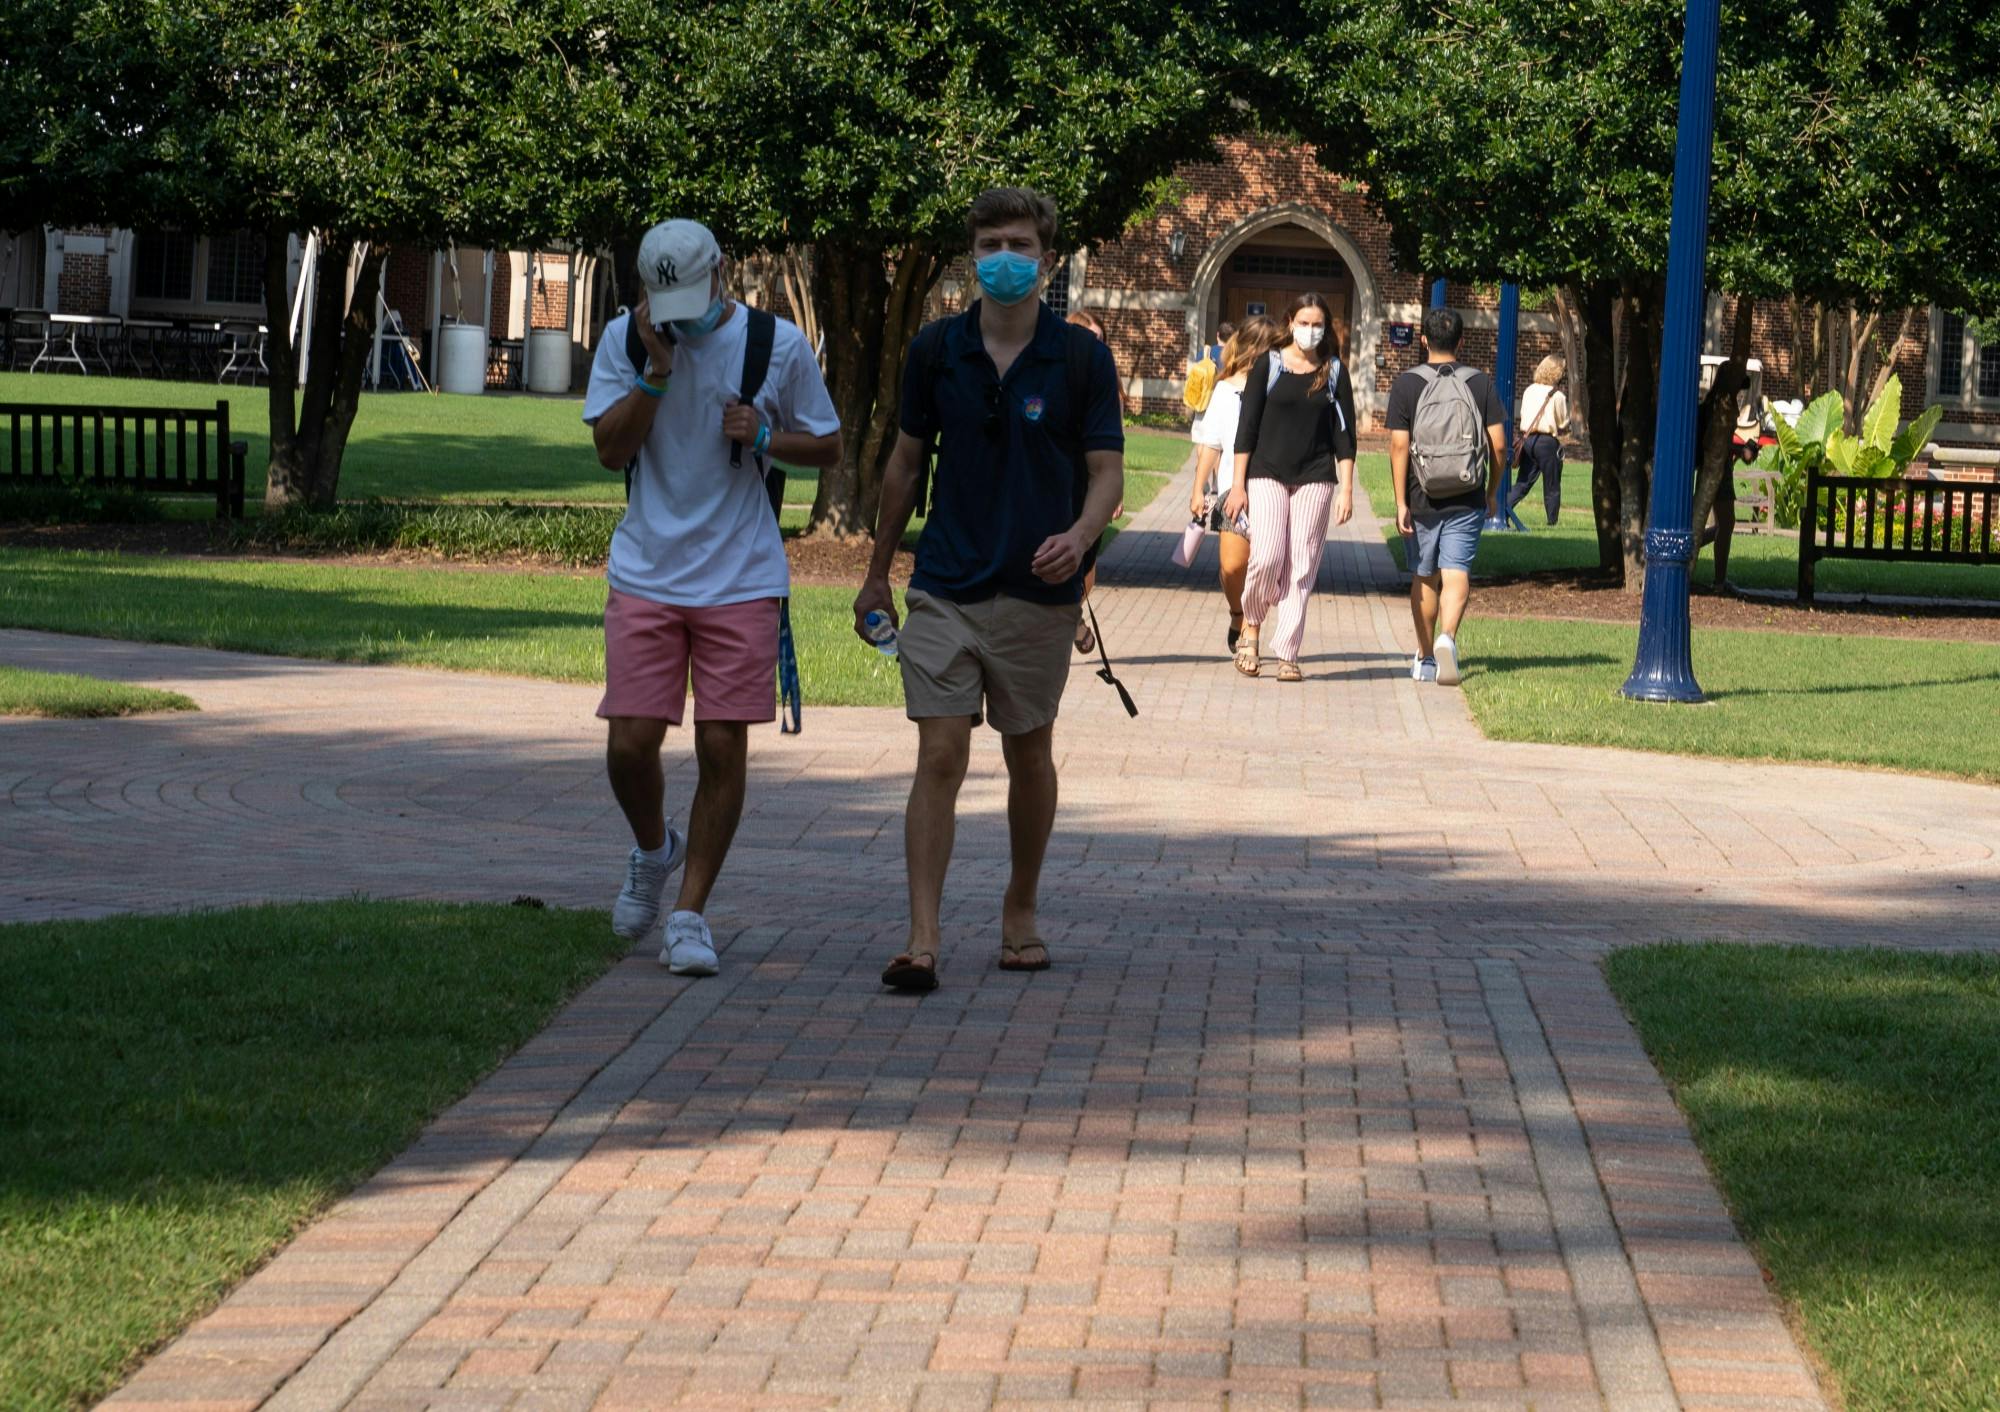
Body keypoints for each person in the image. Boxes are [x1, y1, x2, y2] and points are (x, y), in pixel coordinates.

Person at [854, 187, 1124, 993]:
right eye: (989, 244)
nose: (1003, 257)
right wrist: (877, 571)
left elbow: (1106, 476)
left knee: (1027, 753)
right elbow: (905, 463)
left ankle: (1020, 909)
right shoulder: (937, 350)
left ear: (1047, 257)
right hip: (944, 585)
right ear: (971, 255)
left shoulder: (1080, 358)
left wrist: (1079, 541)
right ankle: (922, 938)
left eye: (1019, 243)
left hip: (1037, 594)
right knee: (940, 753)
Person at [584, 219, 843, 975]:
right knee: (630, 742)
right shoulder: (625, 344)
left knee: (722, 745)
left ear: (722, 275)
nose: (681, 316)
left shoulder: (777, 346)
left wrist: (764, 435)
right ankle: (651, 848)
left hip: (741, 575)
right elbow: (609, 451)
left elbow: (825, 444)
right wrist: (655, 376)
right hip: (647, 570)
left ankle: (690, 914)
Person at [1224, 294, 1357, 682]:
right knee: (1266, 556)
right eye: (1303, 322)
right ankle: (1251, 625)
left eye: (1317, 324)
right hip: (1266, 472)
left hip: (1315, 476)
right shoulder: (1269, 365)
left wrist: (1346, 488)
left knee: (1302, 564)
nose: (1310, 330)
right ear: (1290, 322)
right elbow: (1246, 428)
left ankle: (1287, 652)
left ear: (1326, 327)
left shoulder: (1333, 372)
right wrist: (1237, 485)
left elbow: (1345, 437)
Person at [1386, 306, 1506, 686]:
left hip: (1422, 496)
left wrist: (1401, 502)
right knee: (1457, 572)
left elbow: (1398, 446)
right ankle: (1447, 638)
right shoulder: (1479, 383)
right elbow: (1500, 446)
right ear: (1461, 341)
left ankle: (1423, 659)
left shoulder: (1407, 384)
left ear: (1423, 340)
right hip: (1467, 493)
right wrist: (1491, 491)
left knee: (1425, 575)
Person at [1188, 315, 1282, 652]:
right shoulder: (1225, 390)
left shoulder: (1281, 389)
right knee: (1231, 567)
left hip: (1274, 489)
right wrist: (1198, 488)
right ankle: (1237, 613)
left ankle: (1253, 628)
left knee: (1266, 565)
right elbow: (1211, 444)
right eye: (1263, 349)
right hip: (1231, 487)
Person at [1064, 308, 1126, 655]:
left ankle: (1070, 610)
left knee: (1086, 562)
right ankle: (1067, 615)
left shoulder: (1109, 388)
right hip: (1063, 483)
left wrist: (1117, 489)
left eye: (1101, 340)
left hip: (1097, 485)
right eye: (1090, 338)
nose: (1097, 346)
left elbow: (1116, 447)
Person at [1507, 354, 1570, 525]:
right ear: (1557, 372)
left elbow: (1523, 415)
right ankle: (1552, 521)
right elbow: (1563, 421)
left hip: (1528, 440)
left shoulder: (1529, 390)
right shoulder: (1557, 396)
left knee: (1523, 483)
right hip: (1548, 443)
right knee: (1552, 485)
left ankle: (1504, 509)